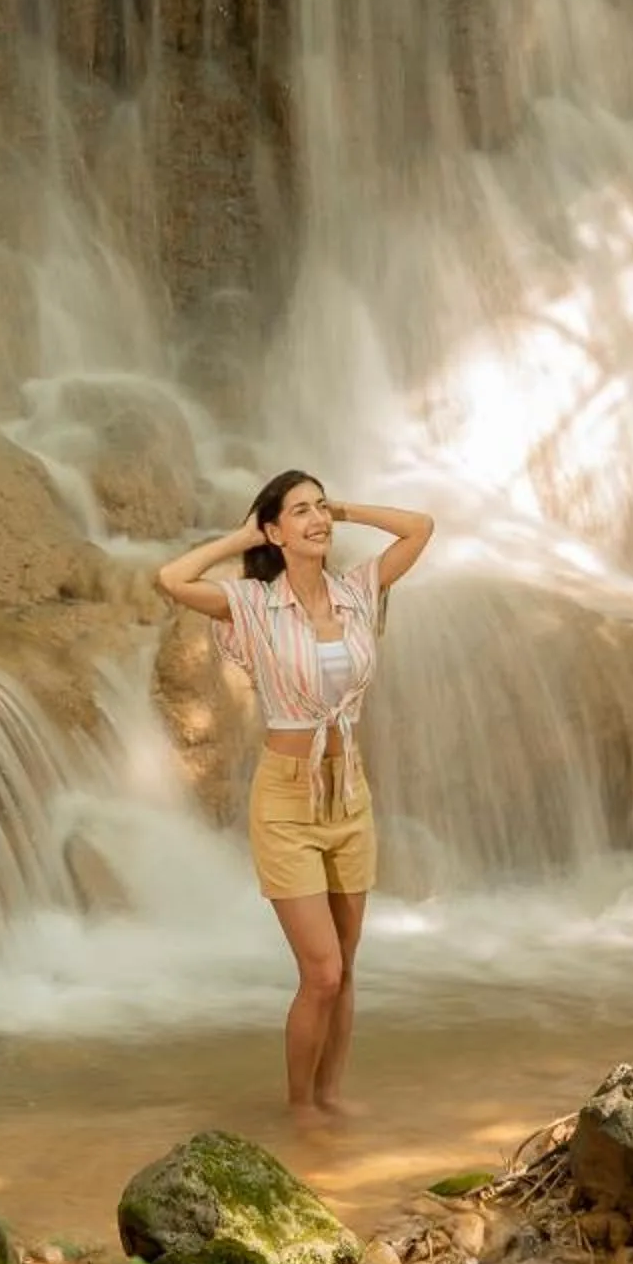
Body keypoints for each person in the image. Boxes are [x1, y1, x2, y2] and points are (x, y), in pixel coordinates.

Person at [157, 471, 433, 1121]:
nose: (317, 521)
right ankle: (300, 1109)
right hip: (285, 801)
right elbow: (171, 579)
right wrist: (244, 535)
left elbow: (420, 528)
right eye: (300, 512)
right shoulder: (254, 604)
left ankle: (333, 1095)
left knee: (348, 963)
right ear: (275, 531)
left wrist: (342, 504)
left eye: (320, 510)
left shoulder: (358, 591)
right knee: (322, 971)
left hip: (349, 793)